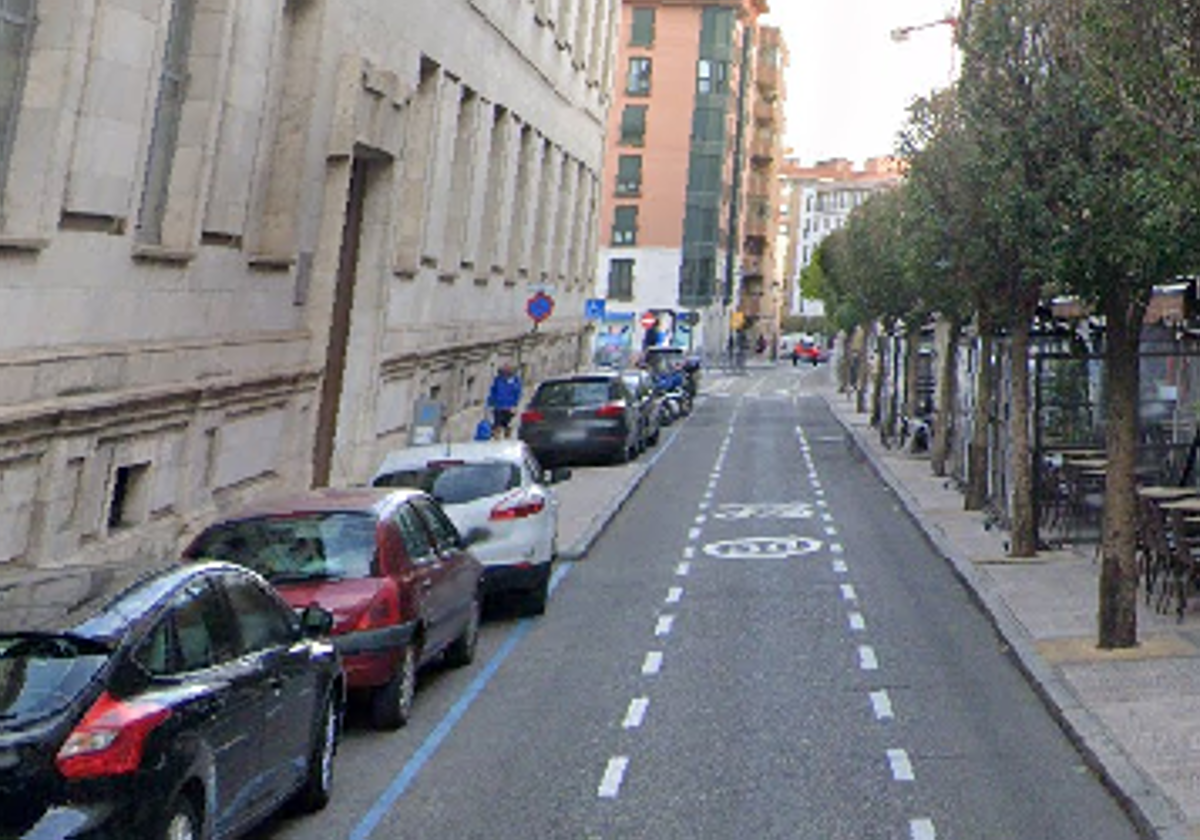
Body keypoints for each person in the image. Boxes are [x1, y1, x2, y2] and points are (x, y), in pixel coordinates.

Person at [487, 363, 522, 439]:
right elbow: (493, 391)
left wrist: (515, 405)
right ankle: (497, 437)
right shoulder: (498, 380)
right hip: (498, 406)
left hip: (509, 406)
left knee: (507, 423)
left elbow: (517, 393)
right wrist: (490, 402)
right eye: (504, 370)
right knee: (497, 423)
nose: (506, 372)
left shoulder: (515, 381)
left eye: (508, 370)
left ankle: (507, 436)